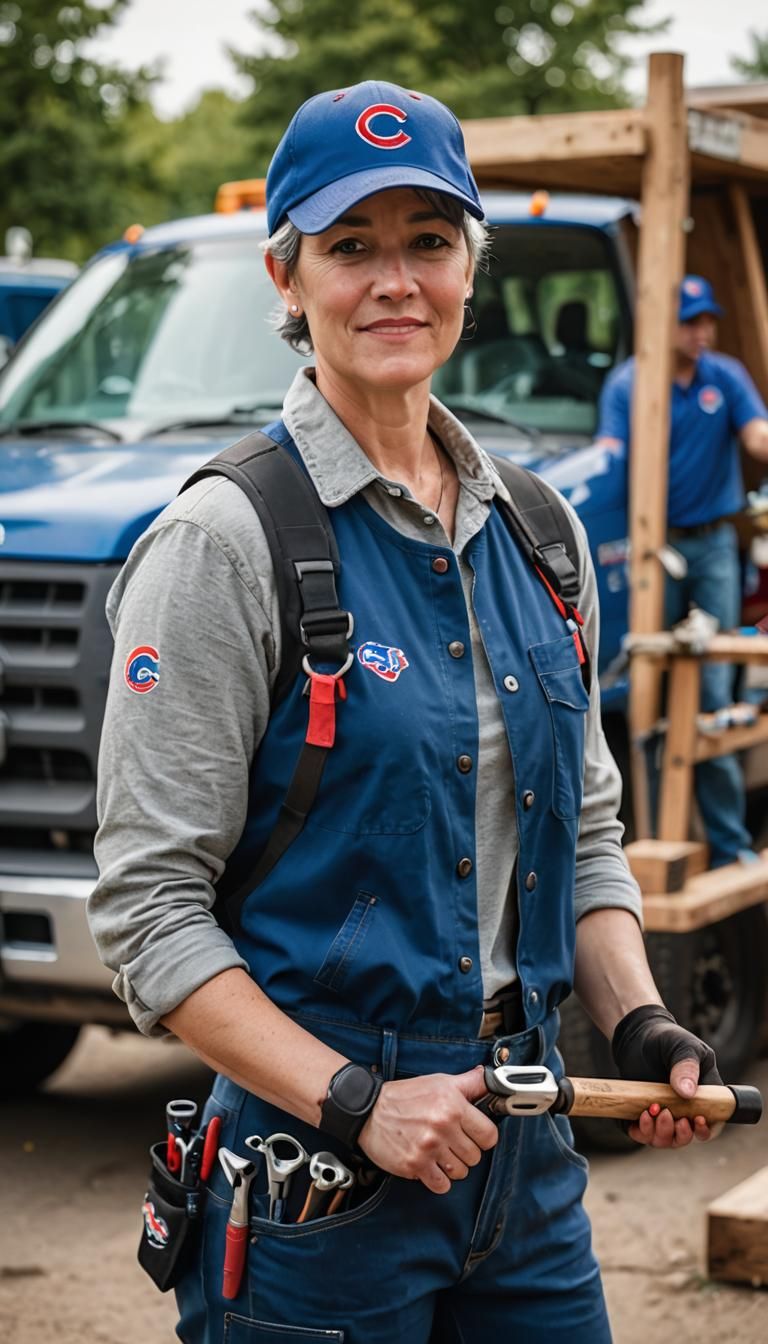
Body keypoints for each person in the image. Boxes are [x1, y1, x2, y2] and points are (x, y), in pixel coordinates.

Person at [89, 84, 722, 1344]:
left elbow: (583, 838)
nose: (396, 280)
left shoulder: (541, 535)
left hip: (526, 1168)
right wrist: (355, 1100)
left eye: (428, 242)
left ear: (469, 272)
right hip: (315, 1187)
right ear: (288, 275)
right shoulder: (226, 542)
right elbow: (148, 912)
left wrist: (639, 1019)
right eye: (351, 245)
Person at [595, 276, 768, 867]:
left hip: (715, 545)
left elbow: (756, 434)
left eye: (707, 320)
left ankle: (728, 846)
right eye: (690, 321)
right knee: (645, 688)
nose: (703, 332)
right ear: (661, 326)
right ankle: (645, 842)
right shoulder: (629, 385)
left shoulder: (725, 376)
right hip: (653, 549)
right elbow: (610, 457)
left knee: (713, 694)